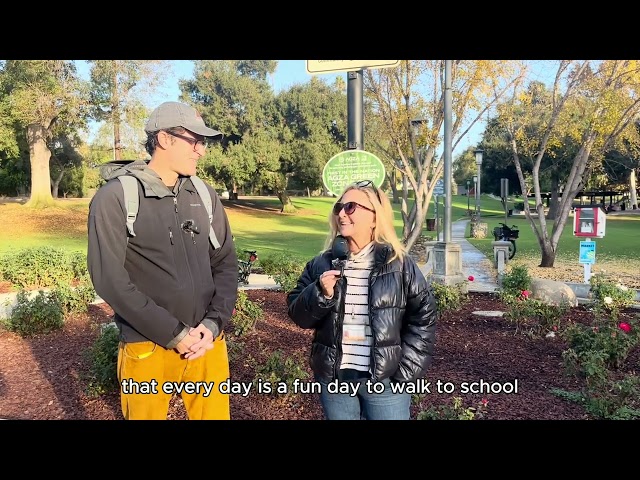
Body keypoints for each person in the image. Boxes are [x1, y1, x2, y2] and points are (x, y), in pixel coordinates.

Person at [87, 101, 238, 420]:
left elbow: (225, 263)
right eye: (194, 141)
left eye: (204, 142)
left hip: (207, 344)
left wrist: (212, 325)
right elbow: (110, 281)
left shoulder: (204, 194)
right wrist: (175, 334)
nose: (202, 150)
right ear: (164, 139)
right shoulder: (116, 198)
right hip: (147, 347)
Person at [287, 180, 437, 420]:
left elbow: (424, 319)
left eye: (351, 207)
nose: (342, 214)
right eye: (339, 207)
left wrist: (406, 370)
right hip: (336, 381)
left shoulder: (399, 265)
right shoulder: (321, 264)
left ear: (375, 217)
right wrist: (321, 293)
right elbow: (298, 314)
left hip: (386, 382)